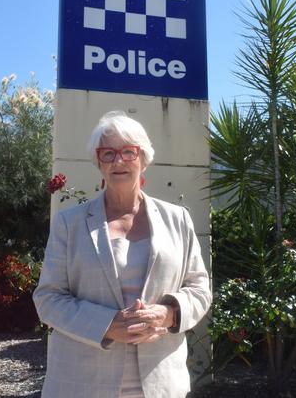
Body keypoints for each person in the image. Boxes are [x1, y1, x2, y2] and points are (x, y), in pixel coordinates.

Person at [33, 111, 212, 398]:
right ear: (98, 162)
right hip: (82, 382)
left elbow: (199, 288)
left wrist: (169, 313)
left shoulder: (178, 219)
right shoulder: (69, 224)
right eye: (108, 153)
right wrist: (107, 325)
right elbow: (48, 298)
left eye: (129, 152)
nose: (118, 161)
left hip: (159, 382)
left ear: (143, 159)